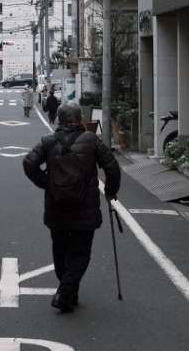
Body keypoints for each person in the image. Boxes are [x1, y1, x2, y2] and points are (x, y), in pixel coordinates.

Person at [22, 103, 121, 312]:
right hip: (85, 207)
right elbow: (112, 167)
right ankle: (66, 292)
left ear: (59, 119)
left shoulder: (48, 142)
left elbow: (29, 163)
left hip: (56, 206)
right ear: (79, 118)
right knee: (80, 252)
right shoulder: (92, 140)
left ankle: (67, 291)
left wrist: (46, 183)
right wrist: (111, 191)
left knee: (60, 250)